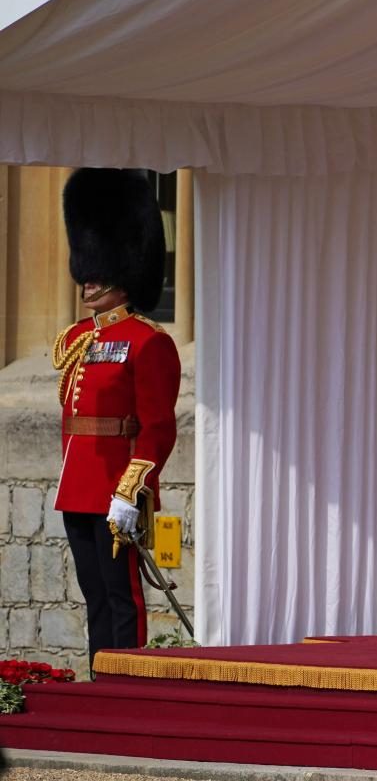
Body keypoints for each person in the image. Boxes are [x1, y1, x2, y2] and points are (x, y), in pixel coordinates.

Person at [52, 168, 181, 669]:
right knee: (95, 596)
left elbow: (157, 426)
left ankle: (125, 682)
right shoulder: (79, 339)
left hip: (116, 489)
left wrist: (133, 490)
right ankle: (98, 674)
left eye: (98, 268)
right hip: (78, 486)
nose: (88, 280)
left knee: (122, 596)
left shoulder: (150, 341)